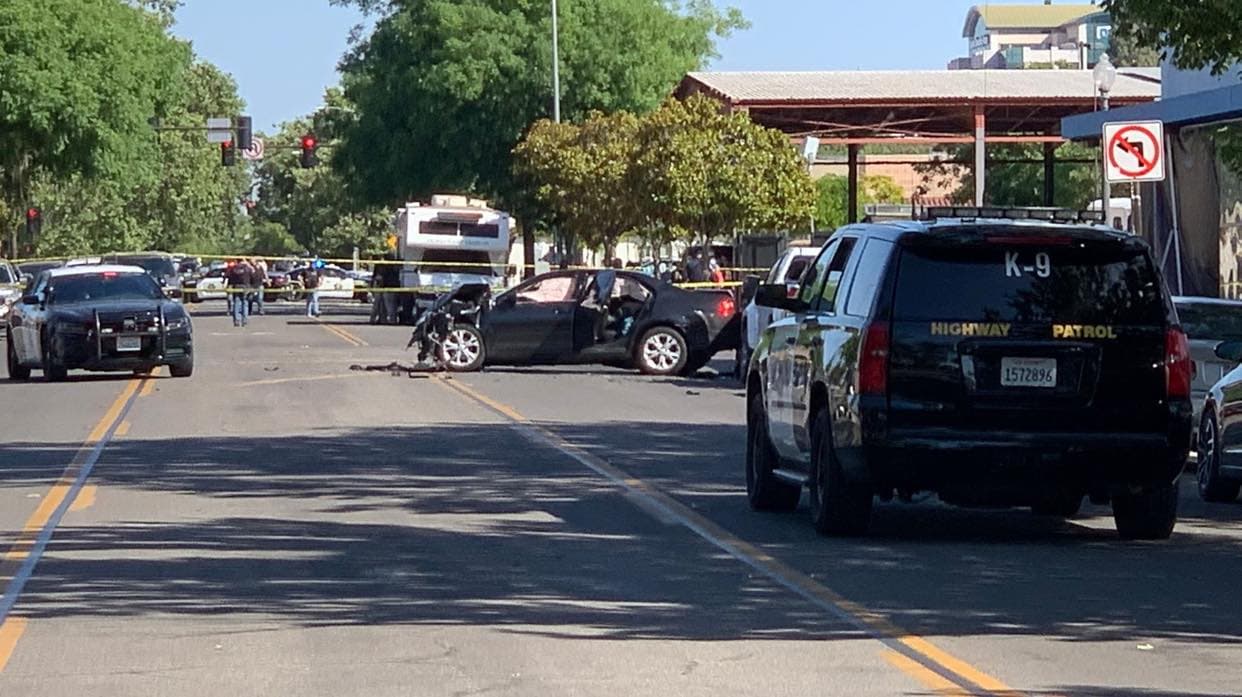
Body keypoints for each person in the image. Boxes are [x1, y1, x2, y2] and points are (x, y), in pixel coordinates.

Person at [226, 259, 254, 327]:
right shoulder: (248, 268)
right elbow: (253, 277)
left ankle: (237, 320)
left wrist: (230, 286)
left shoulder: (233, 269)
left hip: (236, 287)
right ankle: (244, 320)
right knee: (245, 303)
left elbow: (230, 278)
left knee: (236, 303)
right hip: (246, 286)